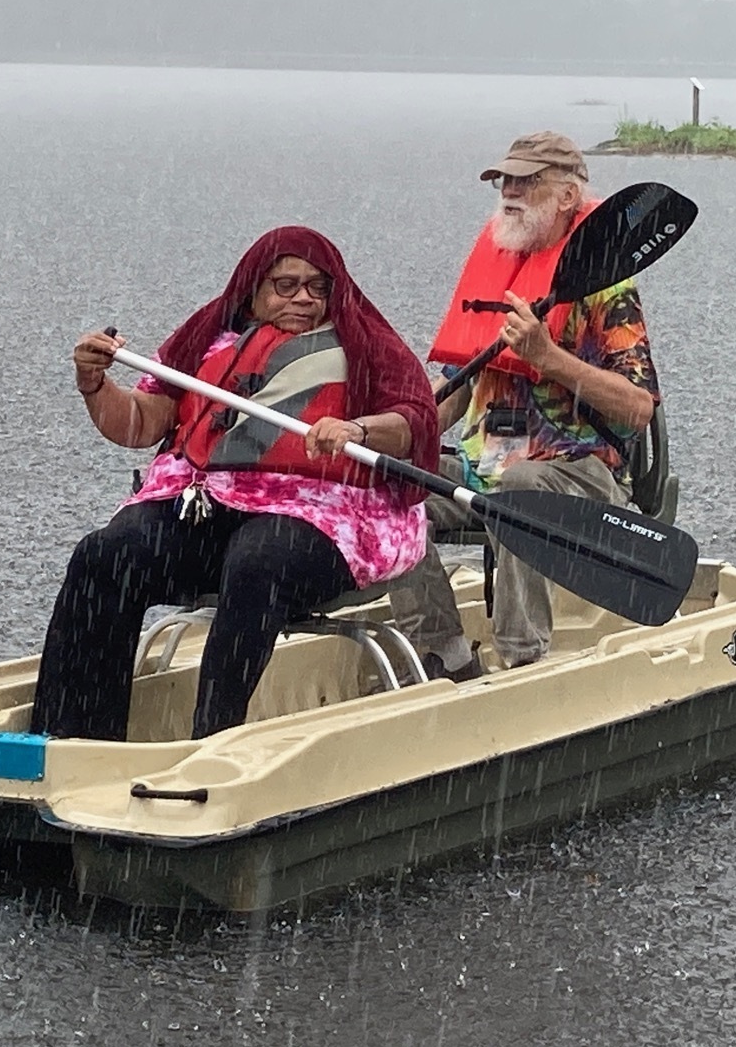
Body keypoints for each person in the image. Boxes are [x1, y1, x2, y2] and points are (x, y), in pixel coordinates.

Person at [30, 226, 437, 741]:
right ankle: (72, 735)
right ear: (254, 289)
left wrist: (357, 428)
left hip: (324, 517)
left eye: (318, 287)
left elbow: (411, 423)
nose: (304, 299)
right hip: (205, 503)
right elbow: (139, 423)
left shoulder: (366, 344)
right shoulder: (208, 339)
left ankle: (214, 737)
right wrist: (94, 383)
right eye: (285, 285)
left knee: (257, 560)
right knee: (105, 554)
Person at [388, 131, 659, 676]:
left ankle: (522, 659)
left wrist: (548, 356)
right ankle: (445, 654)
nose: (509, 191)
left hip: (577, 472)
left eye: (525, 181)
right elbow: (454, 390)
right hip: (482, 463)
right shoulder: (498, 268)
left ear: (566, 197)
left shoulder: (607, 288)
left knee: (518, 489)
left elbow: (638, 408)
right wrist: (390, 435)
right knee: (389, 485)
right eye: (504, 180)